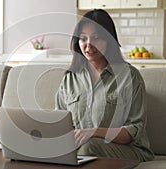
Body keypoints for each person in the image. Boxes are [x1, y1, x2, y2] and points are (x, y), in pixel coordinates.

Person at [55, 9, 154, 161]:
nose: (89, 45)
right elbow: (59, 123)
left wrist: (94, 131)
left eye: (96, 38)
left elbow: (134, 130)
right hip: (80, 150)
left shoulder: (130, 76)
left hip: (127, 150)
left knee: (88, 147)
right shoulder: (70, 79)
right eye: (83, 39)